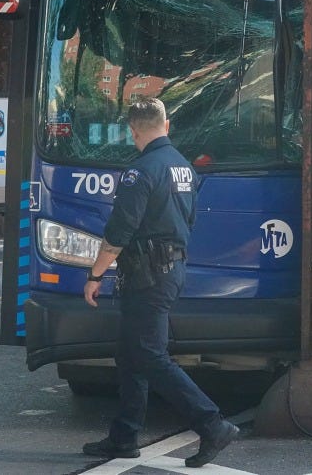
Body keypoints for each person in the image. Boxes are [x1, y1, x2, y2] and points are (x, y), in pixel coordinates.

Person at [82, 97, 239, 468]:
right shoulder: (182, 166)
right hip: (169, 270)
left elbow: (119, 232)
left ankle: (212, 423)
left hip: (148, 275)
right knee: (132, 354)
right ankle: (124, 436)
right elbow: (189, 220)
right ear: (166, 126)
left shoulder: (142, 171)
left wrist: (95, 275)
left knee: (150, 355)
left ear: (133, 131)